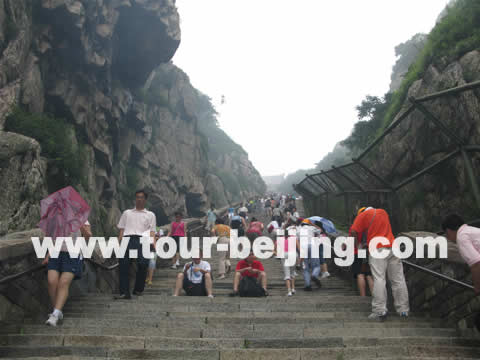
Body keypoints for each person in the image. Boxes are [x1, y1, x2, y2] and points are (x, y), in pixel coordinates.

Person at [350, 207, 409, 320]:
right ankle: (403, 310)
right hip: (392, 247)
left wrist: (357, 245)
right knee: (398, 279)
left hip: (377, 249)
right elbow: (380, 230)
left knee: (379, 278)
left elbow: (353, 231)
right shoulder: (383, 212)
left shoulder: (362, 215)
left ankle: (379, 310)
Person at [43, 220, 91, 326]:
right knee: (52, 281)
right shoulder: (57, 218)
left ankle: (55, 314)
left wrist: (80, 225)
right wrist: (48, 255)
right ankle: (57, 310)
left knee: (63, 282)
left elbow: (88, 237)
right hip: (56, 253)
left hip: (73, 254)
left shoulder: (82, 218)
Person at [116, 190, 156, 300]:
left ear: (145, 200)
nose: (139, 199)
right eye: (137, 197)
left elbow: (152, 231)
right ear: (135, 199)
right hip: (127, 238)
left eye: (141, 197)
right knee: (123, 266)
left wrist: (153, 244)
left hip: (143, 240)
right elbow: (121, 230)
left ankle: (138, 289)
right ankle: (124, 292)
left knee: (143, 264)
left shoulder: (150, 215)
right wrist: (119, 243)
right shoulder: (127, 213)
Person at [442, 214, 480, 294]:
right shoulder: (471, 230)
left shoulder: (461, 237)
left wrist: (477, 287)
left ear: (448, 231)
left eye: (446, 234)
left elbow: (476, 263)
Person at [275, 223, 300, 296]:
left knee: (287, 273)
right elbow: (299, 248)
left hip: (284, 254)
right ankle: (293, 289)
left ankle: (289, 291)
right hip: (293, 254)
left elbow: (274, 250)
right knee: (292, 272)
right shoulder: (294, 238)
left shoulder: (279, 239)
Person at [299, 221, 322, 291]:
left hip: (303, 247)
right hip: (312, 246)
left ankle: (308, 285)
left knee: (305, 268)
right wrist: (312, 224)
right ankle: (314, 275)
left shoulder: (298, 229)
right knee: (317, 266)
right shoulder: (312, 228)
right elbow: (320, 230)